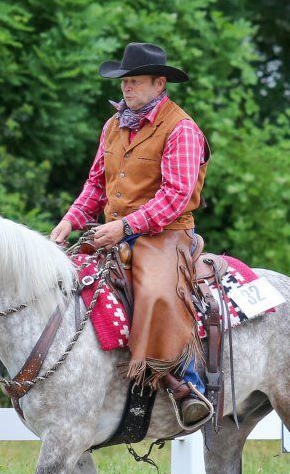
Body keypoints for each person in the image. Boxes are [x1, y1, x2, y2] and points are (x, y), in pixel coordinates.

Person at [49, 42, 212, 425]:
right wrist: (71, 221)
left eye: (136, 82)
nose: (127, 88)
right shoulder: (113, 126)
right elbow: (95, 186)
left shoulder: (182, 130)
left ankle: (187, 384)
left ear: (160, 84)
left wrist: (124, 227)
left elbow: (176, 196)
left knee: (156, 293)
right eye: (125, 82)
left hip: (167, 234)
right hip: (112, 230)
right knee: (63, 280)